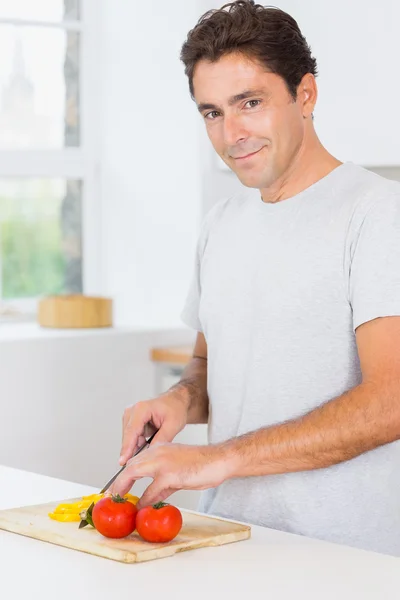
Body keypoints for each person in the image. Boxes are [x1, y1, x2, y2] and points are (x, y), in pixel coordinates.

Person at [110, 0, 400, 556]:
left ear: (306, 95)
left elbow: (389, 402)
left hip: (345, 560)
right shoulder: (222, 224)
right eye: (212, 112)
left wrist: (217, 458)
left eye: (250, 102)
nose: (232, 133)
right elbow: (207, 366)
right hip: (226, 543)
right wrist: (178, 399)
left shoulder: (377, 213)